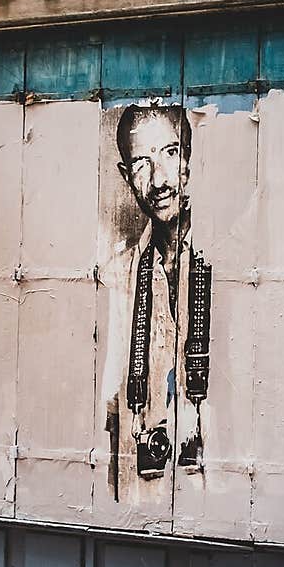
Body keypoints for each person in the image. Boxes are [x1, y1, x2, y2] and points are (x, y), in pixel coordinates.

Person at [100, 101, 212, 495]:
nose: (160, 180)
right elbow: (113, 398)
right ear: (126, 177)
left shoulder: (228, 261)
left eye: (170, 153)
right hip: (145, 495)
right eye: (142, 164)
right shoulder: (122, 273)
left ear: (191, 158)